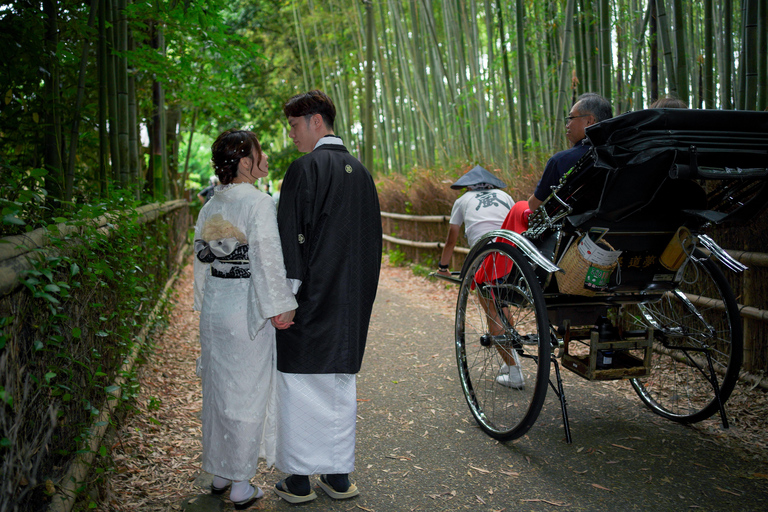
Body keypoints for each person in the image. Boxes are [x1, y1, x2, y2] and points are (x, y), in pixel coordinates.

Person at [273, 90, 382, 503]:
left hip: (310, 300)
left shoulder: (305, 169)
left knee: (300, 385)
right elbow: (374, 244)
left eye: (295, 126)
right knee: (339, 385)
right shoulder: (362, 172)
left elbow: (292, 241)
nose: (293, 135)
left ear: (316, 121)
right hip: (351, 301)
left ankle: (299, 481)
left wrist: (286, 299)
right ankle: (338, 477)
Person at [193, 130, 297, 510]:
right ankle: (240, 483)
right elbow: (268, 260)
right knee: (247, 393)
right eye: (258, 152)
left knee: (220, 391)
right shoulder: (258, 203)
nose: (263, 158)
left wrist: (202, 304)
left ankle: (220, 472)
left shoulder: (210, 206)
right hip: (244, 308)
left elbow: (201, 264)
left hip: (216, 307)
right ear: (243, 161)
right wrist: (281, 305)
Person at [436, 166, 522, 387]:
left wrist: (443, 267)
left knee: (492, 311)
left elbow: (451, 240)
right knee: (503, 304)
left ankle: (514, 373)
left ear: (468, 184)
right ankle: (512, 361)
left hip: (487, 256)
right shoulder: (505, 195)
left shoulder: (463, 200)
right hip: (514, 255)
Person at [527, 92, 613, 211]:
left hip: (573, 226)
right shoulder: (621, 155)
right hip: (619, 224)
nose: (567, 125)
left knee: (519, 208)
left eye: (571, 118)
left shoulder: (560, 160)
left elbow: (533, 205)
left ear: (589, 121)